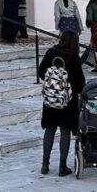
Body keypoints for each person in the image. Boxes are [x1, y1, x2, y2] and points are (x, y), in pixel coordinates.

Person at [37, 31, 86, 177]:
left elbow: (41, 72)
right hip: (67, 101)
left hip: (51, 99)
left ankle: (45, 164)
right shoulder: (74, 57)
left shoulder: (51, 53)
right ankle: (62, 166)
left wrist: (53, 83)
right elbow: (80, 81)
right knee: (65, 131)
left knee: (50, 129)